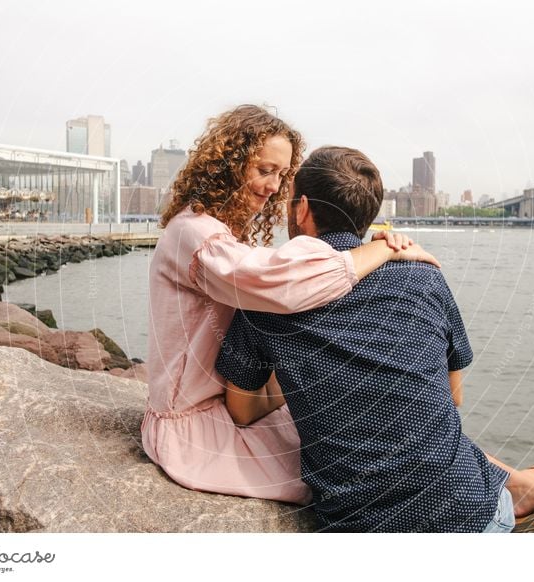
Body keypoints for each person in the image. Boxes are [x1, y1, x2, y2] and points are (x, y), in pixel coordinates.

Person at [216, 146, 534, 532]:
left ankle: (524, 485)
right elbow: (452, 396)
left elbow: (243, 410)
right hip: (474, 514)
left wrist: (303, 368)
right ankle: (521, 486)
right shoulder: (423, 276)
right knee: (428, 423)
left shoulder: (266, 297)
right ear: (368, 215)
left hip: (359, 529)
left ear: (302, 209)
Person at [141, 105, 439, 504]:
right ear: (228, 164)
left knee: (378, 431)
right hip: (192, 430)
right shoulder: (194, 234)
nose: (272, 185)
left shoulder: (219, 232)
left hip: (231, 411)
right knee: (350, 471)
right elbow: (282, 284)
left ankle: (505, 480)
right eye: (264, 169)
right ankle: (500, 489)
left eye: (281, 175)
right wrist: (381, 250)